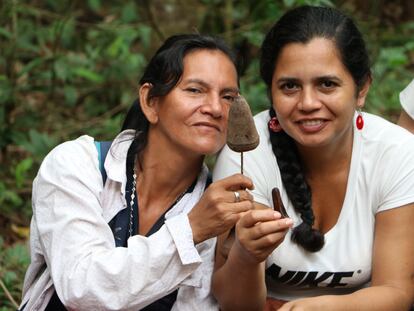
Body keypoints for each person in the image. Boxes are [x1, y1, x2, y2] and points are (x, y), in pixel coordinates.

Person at [19, 34, 255, 311]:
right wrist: (191, 229)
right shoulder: (77, 165)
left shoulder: (216, 207)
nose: (215, 108)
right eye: (194, 90)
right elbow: (79, 287)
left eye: (228, 97)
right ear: (150, 101)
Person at [213, 6, 414, 311]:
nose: (308, 103)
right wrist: (246, 255)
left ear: (362, 89)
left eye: (327, 84)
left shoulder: (396, 153)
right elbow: (233, 303)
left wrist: (319, 309)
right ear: (270, 91)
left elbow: (397, 291)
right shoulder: (246, 154)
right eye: (290, 86)